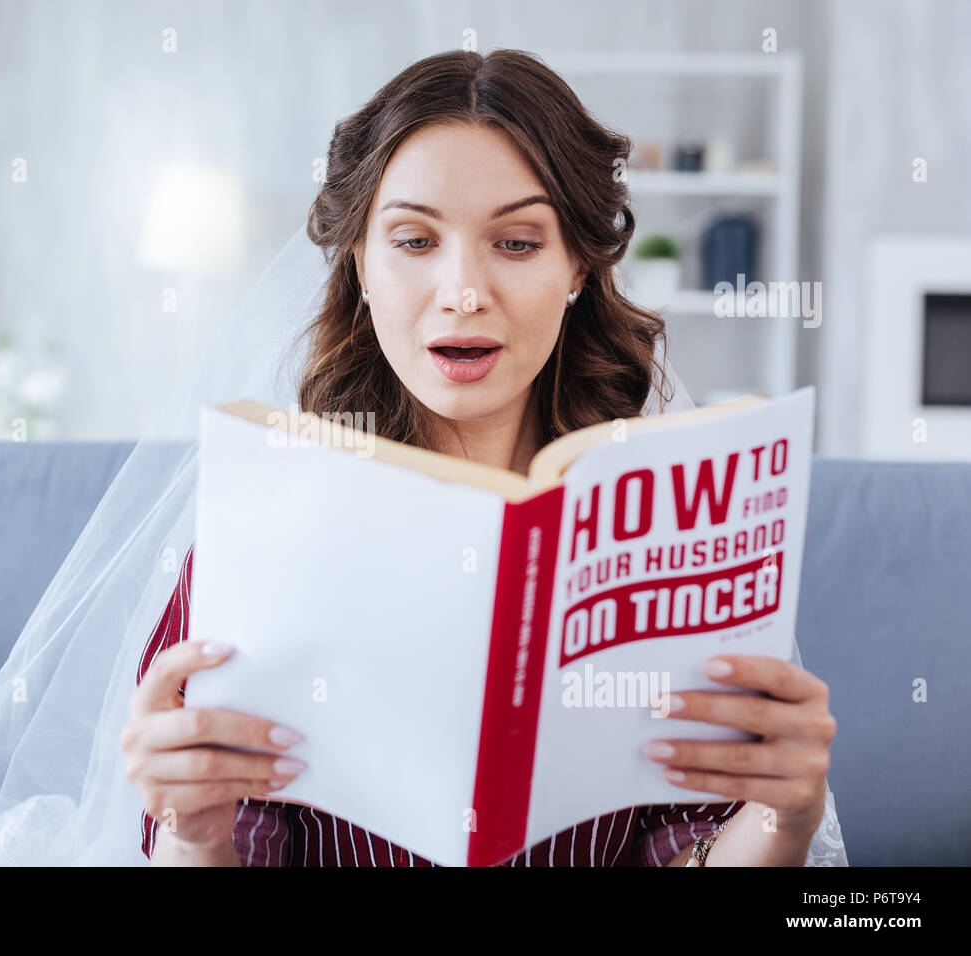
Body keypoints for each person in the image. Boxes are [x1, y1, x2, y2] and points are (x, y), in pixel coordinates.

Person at [121, 48, 847, 868]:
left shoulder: (672, 525)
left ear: (578, 264)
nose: (464, 290)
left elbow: (688, 851)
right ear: (361, 261)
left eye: (515, 242)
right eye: (414, 239)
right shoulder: (259, 528)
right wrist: (192, 831)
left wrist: (783, 818)